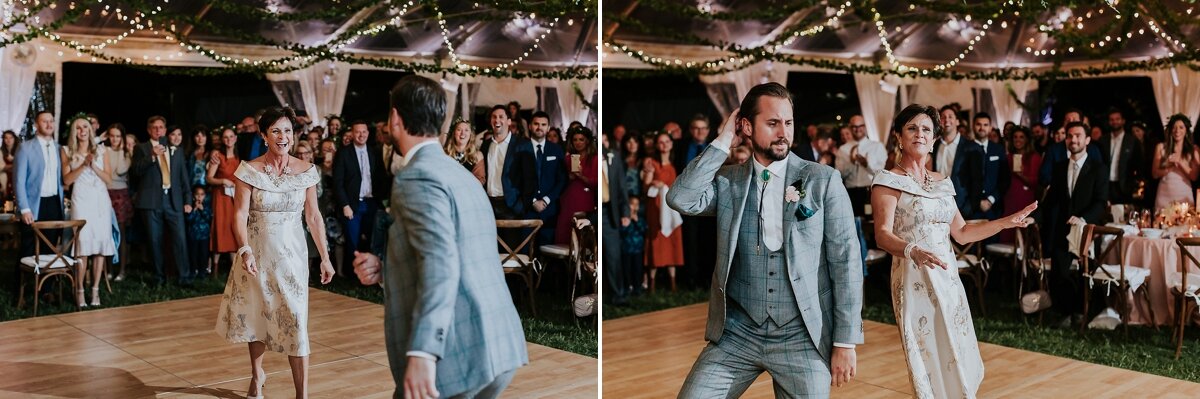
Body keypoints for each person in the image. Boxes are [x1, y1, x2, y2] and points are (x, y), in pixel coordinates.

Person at [670, 83, 863, 397]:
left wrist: (845, 342)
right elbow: (681, 198)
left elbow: (846, 261)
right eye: (772, 123)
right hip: (737, 334)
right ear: (746, 126)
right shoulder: (727, 181)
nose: (782, 132)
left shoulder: (822, 181)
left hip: (801, 337)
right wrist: (722, 142)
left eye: (787, 123)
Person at [352, 75, 527, 399]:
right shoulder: (459, 174)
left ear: (396, 120)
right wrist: (385, 266)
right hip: (497, 344)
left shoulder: (416, 177)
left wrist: (423, 352)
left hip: (455, 352)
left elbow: (440, 263)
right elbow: (456, 249)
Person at [871, 104, 1036, 398]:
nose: (919, 134)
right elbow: (882, 235)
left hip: (948, 278)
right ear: (898, 136)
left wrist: (1004, 222)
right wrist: (911, 250)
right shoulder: (888, 181)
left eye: (926, 129)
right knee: (928, 353)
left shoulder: (942, 182)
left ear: (934, 138)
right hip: (914, 277)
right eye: (911, 128)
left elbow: (961, 232)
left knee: (956, 349)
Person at [215, 106, 333, 399]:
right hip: (256, 255)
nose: (283, 137)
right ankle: (257, 375)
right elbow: (239, 214)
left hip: (292, 256)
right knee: (258, 316)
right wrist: (244, 250)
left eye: (288, 131)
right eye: (276, 131)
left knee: (296, 319)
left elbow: (314, 218)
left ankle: (301, 395)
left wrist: (326, 257)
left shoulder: (306, 171)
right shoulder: (248, 170)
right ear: (264, 135)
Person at [1038, 121, 1107, 328]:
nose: (1073, 139)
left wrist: (1084, 219)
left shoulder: (1098, 169)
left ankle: (1082, 312)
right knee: (1060, 273)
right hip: (1063, 232)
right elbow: (1050, 202)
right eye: (1069, 136)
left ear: (1087, 140)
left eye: (1078, 136)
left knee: (1084, 273)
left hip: (1087, 232)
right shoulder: (1059, 168)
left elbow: (1101, 202)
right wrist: (1035, 217)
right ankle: (1067, 312)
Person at [131, 115, 192, 285]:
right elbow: (135, 171)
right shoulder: (141, 148)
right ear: (149, 130)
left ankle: (184, 277)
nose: (158, 130)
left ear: (165, 130)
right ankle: (159, 276)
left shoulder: (176, 150)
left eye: (161, 127)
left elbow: (183, 178)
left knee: (180, 239)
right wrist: (151, 156)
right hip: (151, 202)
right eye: (154, 127)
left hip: (174, 201)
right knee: (155, 240)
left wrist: (188, 200)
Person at [63, 116, 116, 307]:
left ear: (90, 129)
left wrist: (93, 165)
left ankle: (95, 291)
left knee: (100, 247)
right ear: (74, 132)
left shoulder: (102, 150)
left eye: (85, 126)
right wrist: (83, 164)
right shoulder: (67, 151)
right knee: (82, 247)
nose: (82, 130)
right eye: (78, 128)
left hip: (100, 200)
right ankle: (79, 291)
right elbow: (67, 181)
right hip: (81, 200)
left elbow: (109, 180)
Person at [13, 111, 65, 295]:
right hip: (33, 204)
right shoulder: (26, 148)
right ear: (36, 125)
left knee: (49, 248)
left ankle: (46, 290)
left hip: (53, 203)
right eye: (45, 121)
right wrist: (24, 208)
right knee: (28, 247)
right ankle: (22, 290)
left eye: (51, 121)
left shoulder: (59, 148)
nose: (49, 124)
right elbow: (18, 181)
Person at [331, 121, 389, 270]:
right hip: (352, 204)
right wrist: (345, 205)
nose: (361, 135)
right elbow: (338, 182)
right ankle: (353, 275)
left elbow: (382, 178)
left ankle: (371, 273)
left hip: (372, 203)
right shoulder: (343, 153)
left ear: (368, 134)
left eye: (364, 132)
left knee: (372, 239)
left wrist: (384, 202)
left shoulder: (375, 152)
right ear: (352, 133)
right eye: (358, 132)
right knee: (353, 240)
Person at [516, 111, 567, 246]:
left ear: (548, 127)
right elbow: (516, 179)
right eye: (536, 124)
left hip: (549, 210)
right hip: (526, 209)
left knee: (548, 254)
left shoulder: (556, 150)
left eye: (543, 124)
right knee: (526, 252)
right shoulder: (519, 148)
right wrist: (532, 200)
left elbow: (562, 180)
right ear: (530, 126)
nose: (540, 127)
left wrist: (546, 200)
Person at [643, 132, 684, 292]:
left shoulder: (675, 163)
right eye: (661, 142)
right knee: (656, 242)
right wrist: (654, 182)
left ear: (671, 144)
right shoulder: (651, 162)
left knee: (672, 242)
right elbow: (645, 187)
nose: (664, 145)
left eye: (667, 141)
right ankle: (652, 286)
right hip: (656, 207)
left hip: (672, 209)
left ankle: (673, 284)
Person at [931, 105, 983, 216]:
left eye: (950, 116)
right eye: (943, 117)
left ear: (957, 121)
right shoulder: (934, 146)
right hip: (937, 206)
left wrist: (970, 207)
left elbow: (977, 181)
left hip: (962, 207)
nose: (947, 120)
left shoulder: (972, 147)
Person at [481, 105, 527, 219]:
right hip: (488, 205)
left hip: (511, 206)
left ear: (509, 121)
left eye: (501, 117)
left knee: (512, 237)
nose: (497, 120)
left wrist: (521, 205)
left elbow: (529, 178)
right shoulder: (486, 145)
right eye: (494, 117)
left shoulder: (522, 145)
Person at [836, 114, 886, 216]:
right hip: (850, 192)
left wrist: (866, 165)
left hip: (870, 191)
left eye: (860, 126)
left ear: (865, 127)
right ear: (850, 128)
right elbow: (839, 175)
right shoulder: (843, 149)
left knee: (872, 222)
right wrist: (851, 164)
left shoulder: (877, 146)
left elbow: (881, 173)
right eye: (854, 126)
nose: (857, 129)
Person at [603, 131, 632, 304]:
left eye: (605, 139)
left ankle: (617, 294)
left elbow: (622, 188)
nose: (603, 143)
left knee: (613, 255)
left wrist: (626, 212)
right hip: (591, 211)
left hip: (609, 212)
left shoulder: (614, 158)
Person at [556, 126, 598, 245]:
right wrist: (569, 177)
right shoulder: (568, 158)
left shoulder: (594, 159)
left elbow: (596, 182)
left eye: (581, 139)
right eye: (575, 140)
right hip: (568, 197)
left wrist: (581, 176)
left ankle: (582, 260)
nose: (578, 143)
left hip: (586, 198)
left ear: (587, 141)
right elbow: (560, 181)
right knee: (565, 228)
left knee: (581, 229)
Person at [207, 128, 240, 275]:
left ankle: (233, 269)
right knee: (220, 227)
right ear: (222, 140)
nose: (228, 139)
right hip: (221, 197)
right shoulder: (217, 156)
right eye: (225, 137)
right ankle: (214, 268)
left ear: (235, 138)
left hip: (234, 197)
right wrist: (223, 181)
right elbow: (209, 178)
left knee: (233, 228)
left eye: (231, 136)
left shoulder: (239, 157)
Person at [1001, 126, 1042, 243]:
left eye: (1021, 137)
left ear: (1027, 140)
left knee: (1022, 231)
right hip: (1010, 198)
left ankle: (1022, 259)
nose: (1018, 140)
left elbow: (1036, 182)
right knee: (1007, 230)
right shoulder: (1008, 157)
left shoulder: (1034, 157)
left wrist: (1020, 175)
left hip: (1026, 199)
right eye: (1015, 137)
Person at [969, 112, 1010, 220]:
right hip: (971, 208)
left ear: (990, 127)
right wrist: (977, 201)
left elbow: (1005, 179)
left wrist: (991, 199)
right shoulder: (965, 149)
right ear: (973, 126)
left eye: (985, 125)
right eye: (978, 124)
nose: (982, 128)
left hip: (994, 207)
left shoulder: (998, 149)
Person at [1098, 108, 1144, 205]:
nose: (1115, 122)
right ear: (1109, 122)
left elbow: (1139, 165)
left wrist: (1135, 186)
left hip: (1124, 186)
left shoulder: (1132, 141)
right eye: (1112, 119)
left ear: (1123, 121)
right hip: (1106, 185)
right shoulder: (1102, 140)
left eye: (1117, 119)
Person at [1153, 115, 1198, 211]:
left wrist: (1180, 161)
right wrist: (1169, 168)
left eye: (1181, 127)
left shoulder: (1193, 150)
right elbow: (1154, 173)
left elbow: (1194, 176)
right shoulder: (1161, 147)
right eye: (1174, 127)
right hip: (1164, 193)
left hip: (1184, 195)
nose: (1177, 131)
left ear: (1186, 130)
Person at [443, 119, 486, 185]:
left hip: (468, 193)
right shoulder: (444, 154)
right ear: (454, 133)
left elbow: (480, 180)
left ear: (470, 134)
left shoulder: (477, 155)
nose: (463, 133)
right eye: (459, 130)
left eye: (466, 130)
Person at [184, 186, 212, 280]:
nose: (199, 197)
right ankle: (193, 271)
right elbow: (188, 219)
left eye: (202, 194)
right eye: (197, 194)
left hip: (204, 236)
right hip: (193, 236)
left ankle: (202, 272)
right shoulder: (190, 206)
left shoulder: (207, 206)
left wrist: (202, 209)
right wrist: (195, 209)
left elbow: (209, 218)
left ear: (205, 196)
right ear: (193, 196)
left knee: (203, 254)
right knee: (193, 254)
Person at [0, 130, 18, 201]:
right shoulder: (0, 152)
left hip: (16, 182)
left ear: (14, 139)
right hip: (4, 183)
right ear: (3, 140)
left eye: (11, 138)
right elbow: (1, 168)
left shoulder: (20, 151)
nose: (8, 140)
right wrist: (15, 165)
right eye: (6, 138)